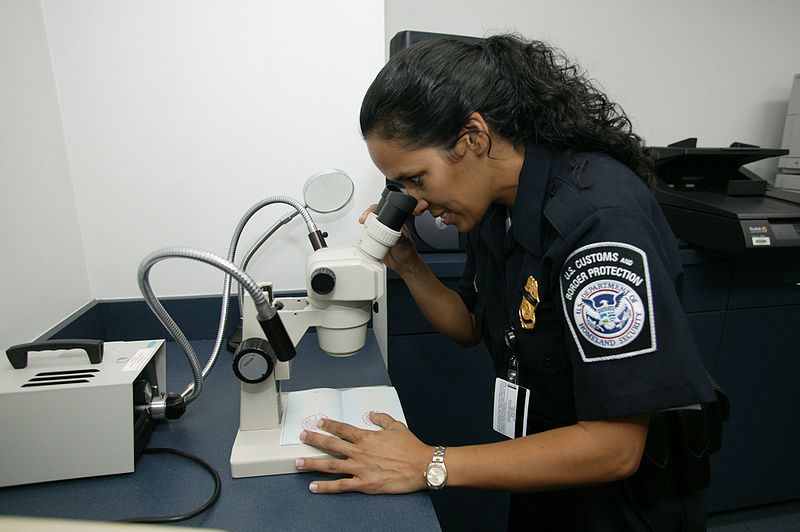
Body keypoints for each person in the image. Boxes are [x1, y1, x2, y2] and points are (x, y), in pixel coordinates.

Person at [295, 34, 717, 531]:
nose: (415, 201)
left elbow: (614, 448)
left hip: (620, 504)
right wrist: (408, 263)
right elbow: (471, 326)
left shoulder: (598, 220)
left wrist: (428, 463)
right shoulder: (495, 204)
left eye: (417, 179)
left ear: (473, 138)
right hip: (541, 468)